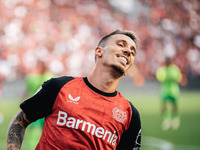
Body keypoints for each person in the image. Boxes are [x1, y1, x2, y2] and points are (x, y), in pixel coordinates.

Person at [7, 29, 141, 150]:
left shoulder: (130, 115)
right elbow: (19, 122)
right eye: (121, 44)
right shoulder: (59, 87)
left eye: (132, 52)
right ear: (99, 51)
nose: (128, 51)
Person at [24, 61, 56, 149]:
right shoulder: (50, 76)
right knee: (45, 130)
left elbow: (29, 85)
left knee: (36, 131)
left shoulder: (32, 78)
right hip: (48, 106)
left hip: (35, 106)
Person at [156, 57, 182, 131]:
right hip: (165, 90)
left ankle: (175, 119)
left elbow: (179, 78)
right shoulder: (162, 69)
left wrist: (171, 77)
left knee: (175, 106)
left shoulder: (175, 69)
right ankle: (166, 120)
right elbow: (159, 77)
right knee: (164, 106)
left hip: (174, 90)